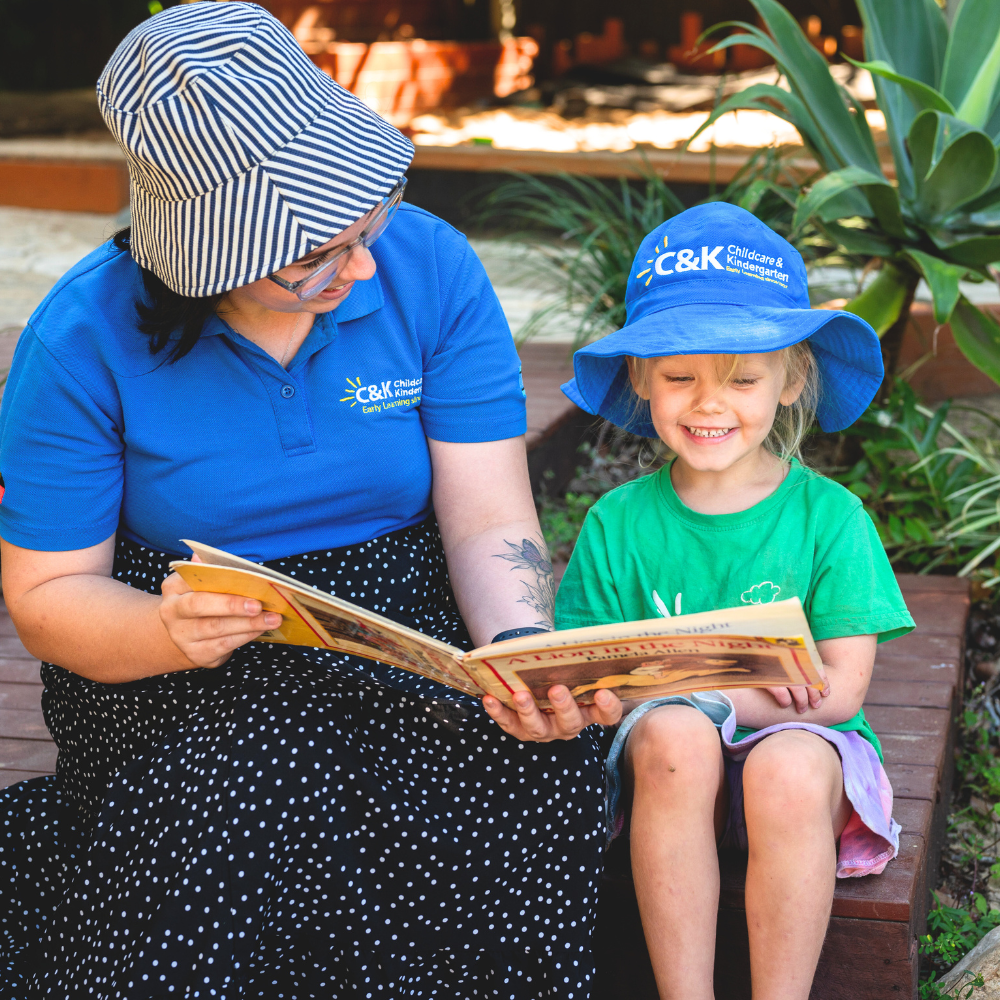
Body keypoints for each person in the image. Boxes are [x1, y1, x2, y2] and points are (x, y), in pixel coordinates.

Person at [0, 4, 619, 997]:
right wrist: (169, 631)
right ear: (210, 259)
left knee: (525, 767)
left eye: (367, 222)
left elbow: (490, 517)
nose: (363, 264)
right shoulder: (79, 339)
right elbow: (48, 598)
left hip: (403, 605)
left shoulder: (432, 267)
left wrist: (513, 652)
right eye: (314, 255)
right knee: (229, 806)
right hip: (175, 634)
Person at [555, 203, 915, 1000]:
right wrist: (708, 694)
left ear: (790, 383)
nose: (709, 403)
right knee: (676, 734)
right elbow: (594, 683)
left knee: (785, 760)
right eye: (679, 376)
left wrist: (685, 684)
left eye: (743, 378)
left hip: (800, 775)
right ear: (642, 379)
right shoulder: (619, 522)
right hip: (668, 780)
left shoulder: (831, 518)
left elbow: (840, 691)